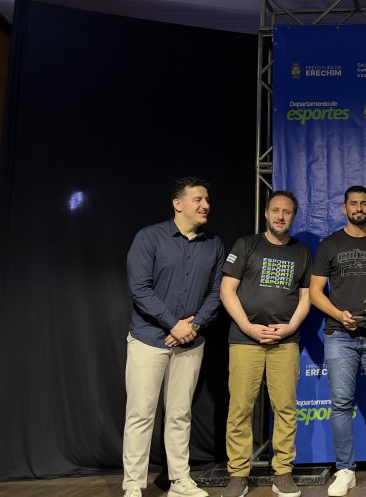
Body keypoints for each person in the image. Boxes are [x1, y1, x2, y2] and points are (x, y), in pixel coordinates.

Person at [122, 177, 225, 497]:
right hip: (148, 340)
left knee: (180, 414)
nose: (205, 205)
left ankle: (179, 480)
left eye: (206, 199)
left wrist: (194, 327)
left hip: (191, 341)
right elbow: (140, 289)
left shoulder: (214, 244)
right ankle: (133, 485)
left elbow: (217, 292)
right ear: (178, 204)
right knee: (141, 414)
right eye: (198, 200)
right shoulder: (149, 237)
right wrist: (173, 325)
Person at [309, 186, 366, 497]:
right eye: (353, 203)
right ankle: (345, 470)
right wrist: (338, 314)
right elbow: (315, 293)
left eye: (364, 203)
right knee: (340, 403)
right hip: (339, 335)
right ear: (344, 208)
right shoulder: (329, 245)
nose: (359, 208)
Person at [219, 191, 313, 497]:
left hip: (285, 342)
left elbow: (306, 297)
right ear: (266, 213)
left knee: (285, 408)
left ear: (293, 216)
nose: (280, 216)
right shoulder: (246, 245)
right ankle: (238, 475)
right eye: (275, 210)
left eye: (286, 212)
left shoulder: (302, 252)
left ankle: (282, 472)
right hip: (245, 340)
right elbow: (227, 291)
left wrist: (291, 327)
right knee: (240, 408)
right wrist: (248, 327)